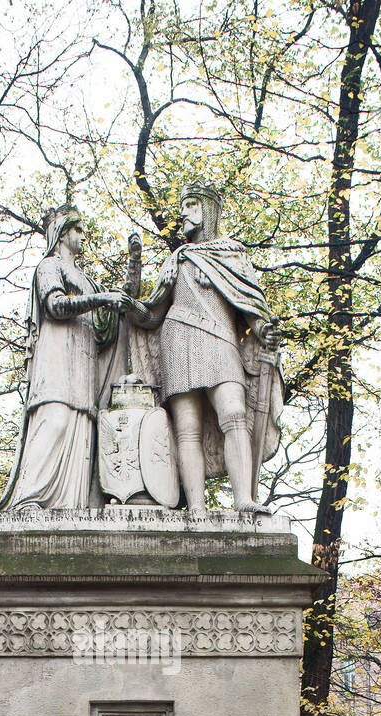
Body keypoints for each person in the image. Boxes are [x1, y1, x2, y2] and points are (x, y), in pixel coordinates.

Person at [128, 179, 283, 511]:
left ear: (208, 209)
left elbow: (250, 305)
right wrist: (130, 296)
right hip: (178, 339)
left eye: (190, 205)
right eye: (182, 206)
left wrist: (263, 329)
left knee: (235, 414)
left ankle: (243, 499)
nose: (183, 213)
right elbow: (152, 314)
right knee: (187, 428)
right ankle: (196, 510)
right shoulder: (178, 258)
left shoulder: (232, 253)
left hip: (220, 339)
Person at [0, 205, 133, 510]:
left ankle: (69, 508)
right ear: (62, 233)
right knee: (54, 421)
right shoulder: (49, 266)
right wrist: (100, 299)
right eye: (79, 230)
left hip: (82, 365)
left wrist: (129, 273)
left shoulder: (85, 278)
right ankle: (29, 501)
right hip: (56, 358)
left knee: (79, 431)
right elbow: (55, 306)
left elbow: (105, 328)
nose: (84, 236)